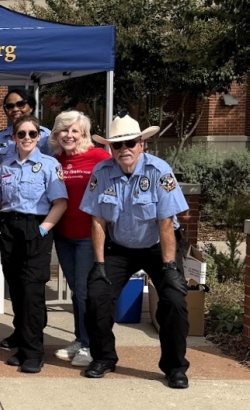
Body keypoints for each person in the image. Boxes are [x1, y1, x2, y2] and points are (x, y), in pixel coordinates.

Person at [80, 114, 191, 389]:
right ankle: (103, 357)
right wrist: (99, 264)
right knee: (96, 295)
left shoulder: (159, 170)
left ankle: (175, 367)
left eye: (130, 143)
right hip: (119, 247)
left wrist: (169, 267)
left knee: (174, 301)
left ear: (141, 144)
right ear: (110, 148)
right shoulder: (102, 172)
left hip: (157, 246)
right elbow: (97, 220)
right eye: (117, 145)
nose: (124, 149)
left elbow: (166, 222)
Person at [0, 114, 68, 374]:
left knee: (32, 292)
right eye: (21, 134)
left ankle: (34, 353)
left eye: (32, 134)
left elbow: (60, 203)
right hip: (10, 229)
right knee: (16, 289)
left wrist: (43, 230)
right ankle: (23, 347)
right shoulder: (6, 166)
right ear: (14, 137)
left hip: (36, 228)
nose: (26, 138)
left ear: (39, 137)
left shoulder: (49, 165)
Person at [48, 110, 112, 367]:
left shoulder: (99, 158)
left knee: (85, 291)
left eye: (75, 130)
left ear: (84, 134)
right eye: (64, 130)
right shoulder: (55, 160)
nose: (69, 135)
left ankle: (89, 345)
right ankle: (80, 338)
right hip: (64, 235)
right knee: (76, 290)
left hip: (89, 235)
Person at [0, 88, 52, 170]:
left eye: (20, 104)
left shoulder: (46, 136)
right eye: (10, 106)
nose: (15, 109)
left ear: (31, 107)